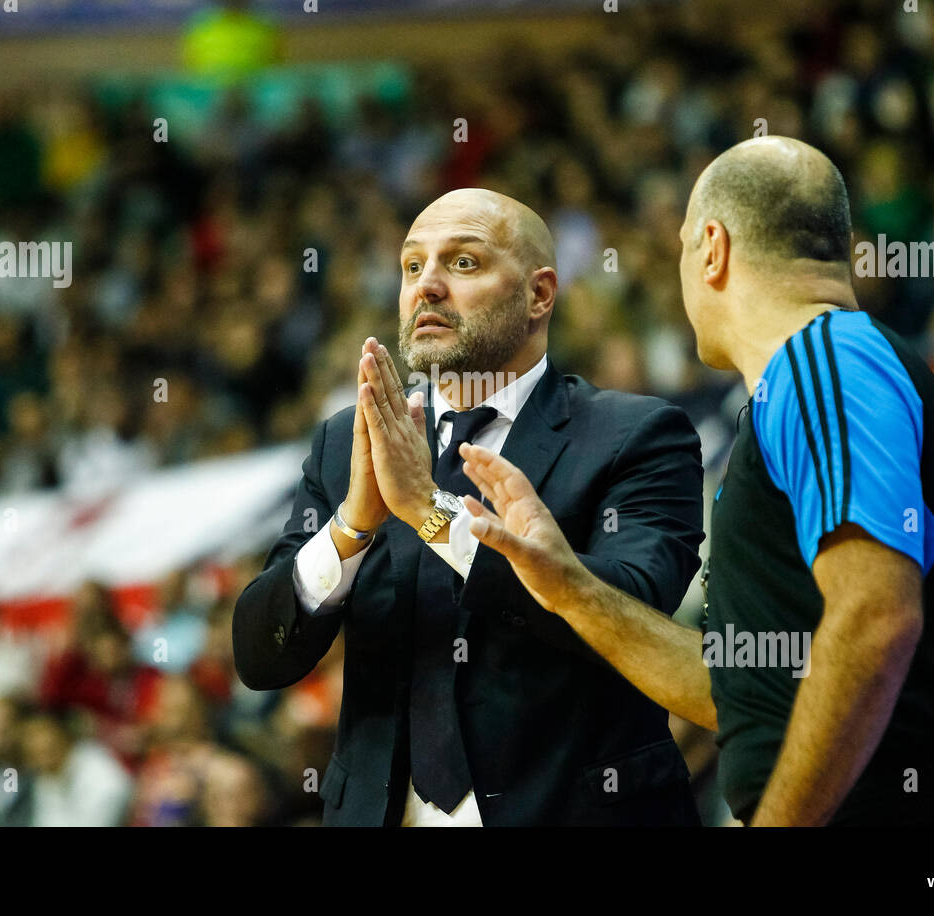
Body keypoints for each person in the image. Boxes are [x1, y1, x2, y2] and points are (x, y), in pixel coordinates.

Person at [459, 138, 934, 826]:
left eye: (679, 248)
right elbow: (745, 691)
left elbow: (876, 618)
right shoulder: (815, 376)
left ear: (712, 248)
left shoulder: (825, 362)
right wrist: (571, 589)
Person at [233, 188, 704, 825]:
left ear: (540, 294)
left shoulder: (636, 435)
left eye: (462, 263)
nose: (426, 286)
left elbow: (634, 612)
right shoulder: (351, 439)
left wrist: (430, 511)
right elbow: (262, 655)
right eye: (411, 266)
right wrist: (350, 529)